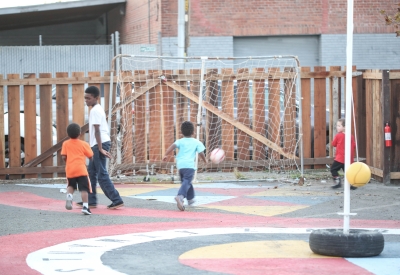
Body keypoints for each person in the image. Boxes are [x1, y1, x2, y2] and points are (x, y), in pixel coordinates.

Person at [82, 86, 124, 209]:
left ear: (96, 98)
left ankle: (116, 199)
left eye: (88, 98)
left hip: (99, 144)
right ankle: (91, 200)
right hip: (98, 144)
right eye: (85, 98)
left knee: (101, 174)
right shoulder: (97, 108)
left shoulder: (95, 111)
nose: (86, 101)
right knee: (92, 172)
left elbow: (97, 131)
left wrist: (100, 148)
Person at [162, 121, 207, 211]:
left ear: (181, 132)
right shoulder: (196, 142)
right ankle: (180, 196)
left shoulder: (179, 141)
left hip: (180, 166)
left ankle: (190, 199)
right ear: (193, 132)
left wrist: (165, 154)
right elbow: (201, 153)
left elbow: (172, 146)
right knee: (187, 181)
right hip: (189, 166)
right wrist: (205, 160)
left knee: (186, 182)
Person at [61, 123, 94, 215]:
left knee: (70, 185)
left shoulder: (65, 144)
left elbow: (63, 156)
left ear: (68, 134)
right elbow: (90, 155)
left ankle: (69, 196)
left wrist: (67, 162)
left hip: (70, 169)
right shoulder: (84, 144)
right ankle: (85, 207)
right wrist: (91, 160)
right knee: (84, 189)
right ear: (80, 133)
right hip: (81, 169)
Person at [330, 118, 357, 190]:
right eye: (337, 125)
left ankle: (338, 181)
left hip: (340, 158)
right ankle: (352, 184)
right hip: (348, 158)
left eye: (339, 126)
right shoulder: (351, 136)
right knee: (347, 172)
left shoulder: (338, 135)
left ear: (344, 127)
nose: (337, 127)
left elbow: (333, 144)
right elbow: (354, 145)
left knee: (333, 169)